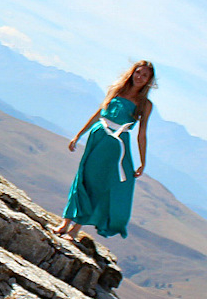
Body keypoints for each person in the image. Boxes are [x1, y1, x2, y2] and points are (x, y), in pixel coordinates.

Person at [54, 60, 155, 240]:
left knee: (98, 185)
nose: (139, 77)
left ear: (149, 80)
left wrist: (143, 161)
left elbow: (142, 134)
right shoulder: (116, 89)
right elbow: (98, 113)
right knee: (82, 178)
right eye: (138, 72)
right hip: (98, 136)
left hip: (116, 145)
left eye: (144, 75)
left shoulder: (145, 104)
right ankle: (65, 222)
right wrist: (78, 135)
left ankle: (75, 229)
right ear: (132, 73)